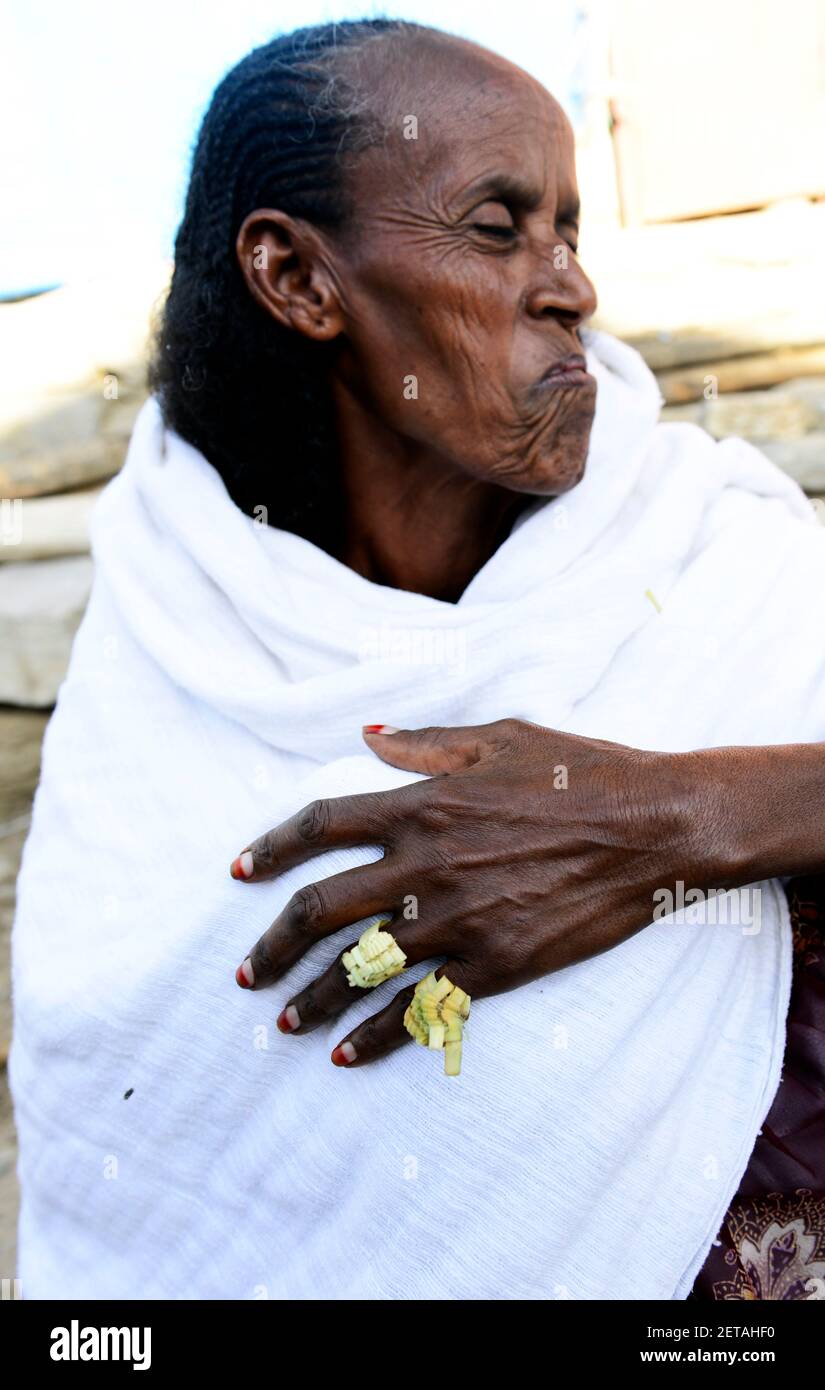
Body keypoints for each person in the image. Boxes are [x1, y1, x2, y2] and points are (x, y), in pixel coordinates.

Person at [10, 19, 825, 1300]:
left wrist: (667, 817)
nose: (570, 285)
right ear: (298, 278)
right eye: (499, 230)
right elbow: (128, 1125)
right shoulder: (167, 654)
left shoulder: (716, 553)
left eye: (570, 230)